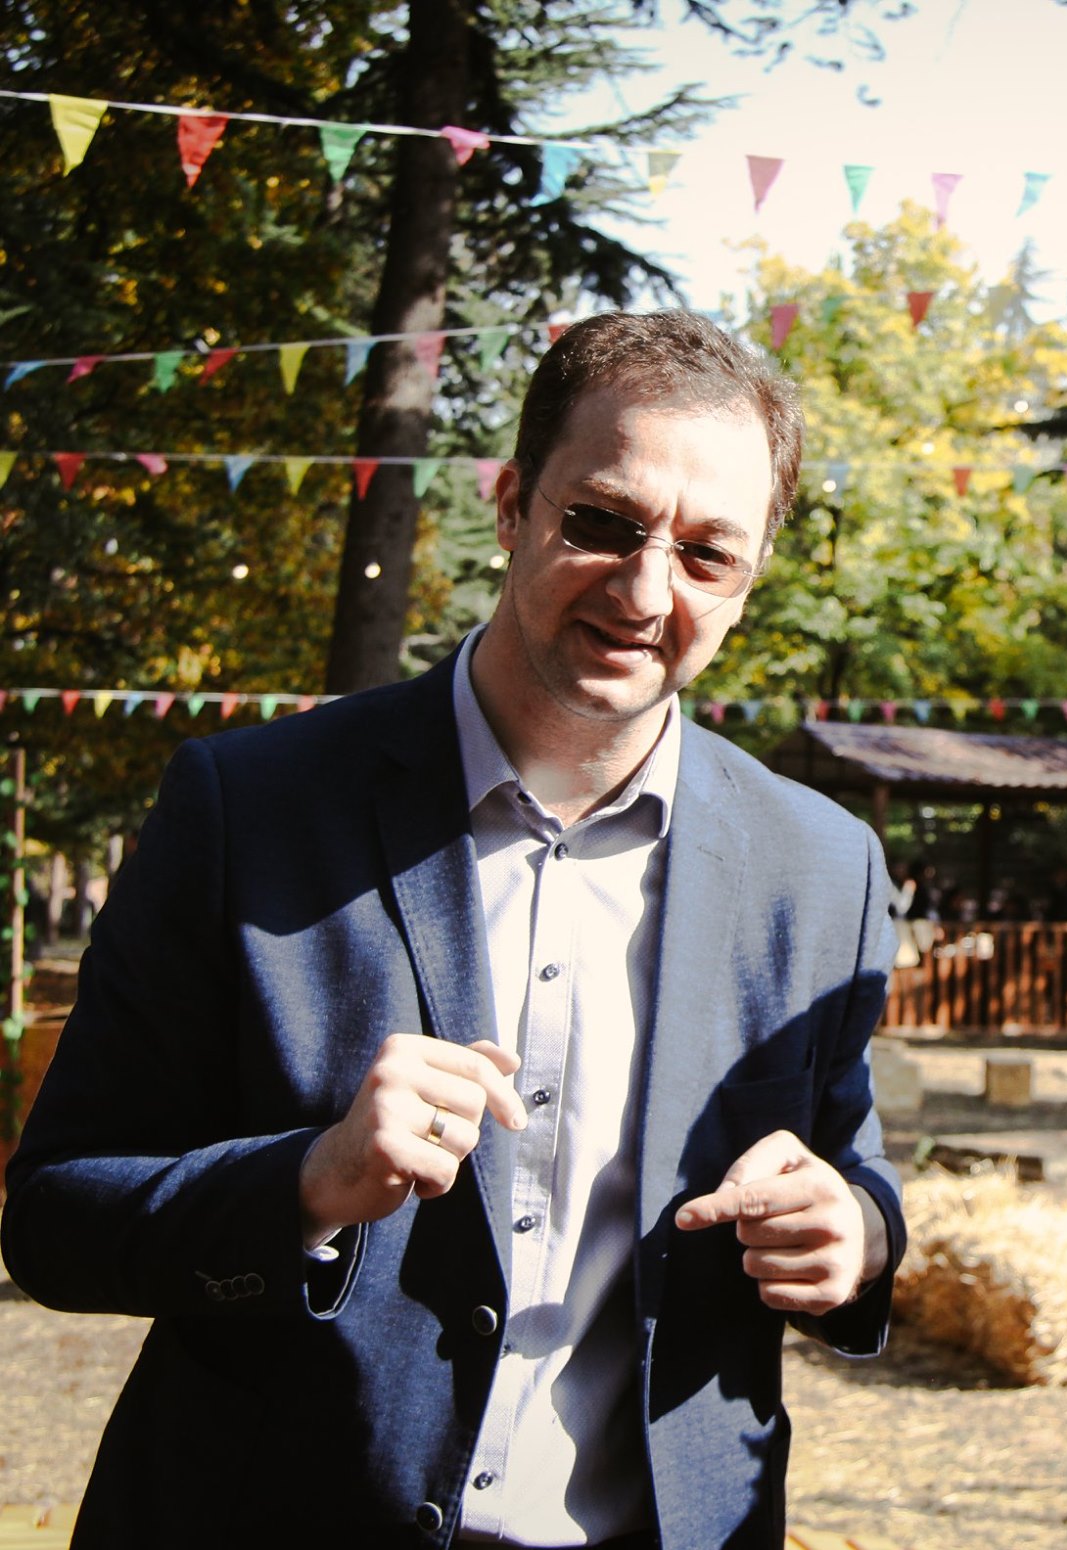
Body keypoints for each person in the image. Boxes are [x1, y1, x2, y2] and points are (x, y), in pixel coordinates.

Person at [1, 310, 907, 1550]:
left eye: (707, 554)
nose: (646, 590)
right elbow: (56, 1217)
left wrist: (854, 1233)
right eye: (603, 521)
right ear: (512, 504)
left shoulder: (822, 866)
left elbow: (853, 1169)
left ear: (749, 581)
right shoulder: (248, 806)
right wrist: (309, 1182)